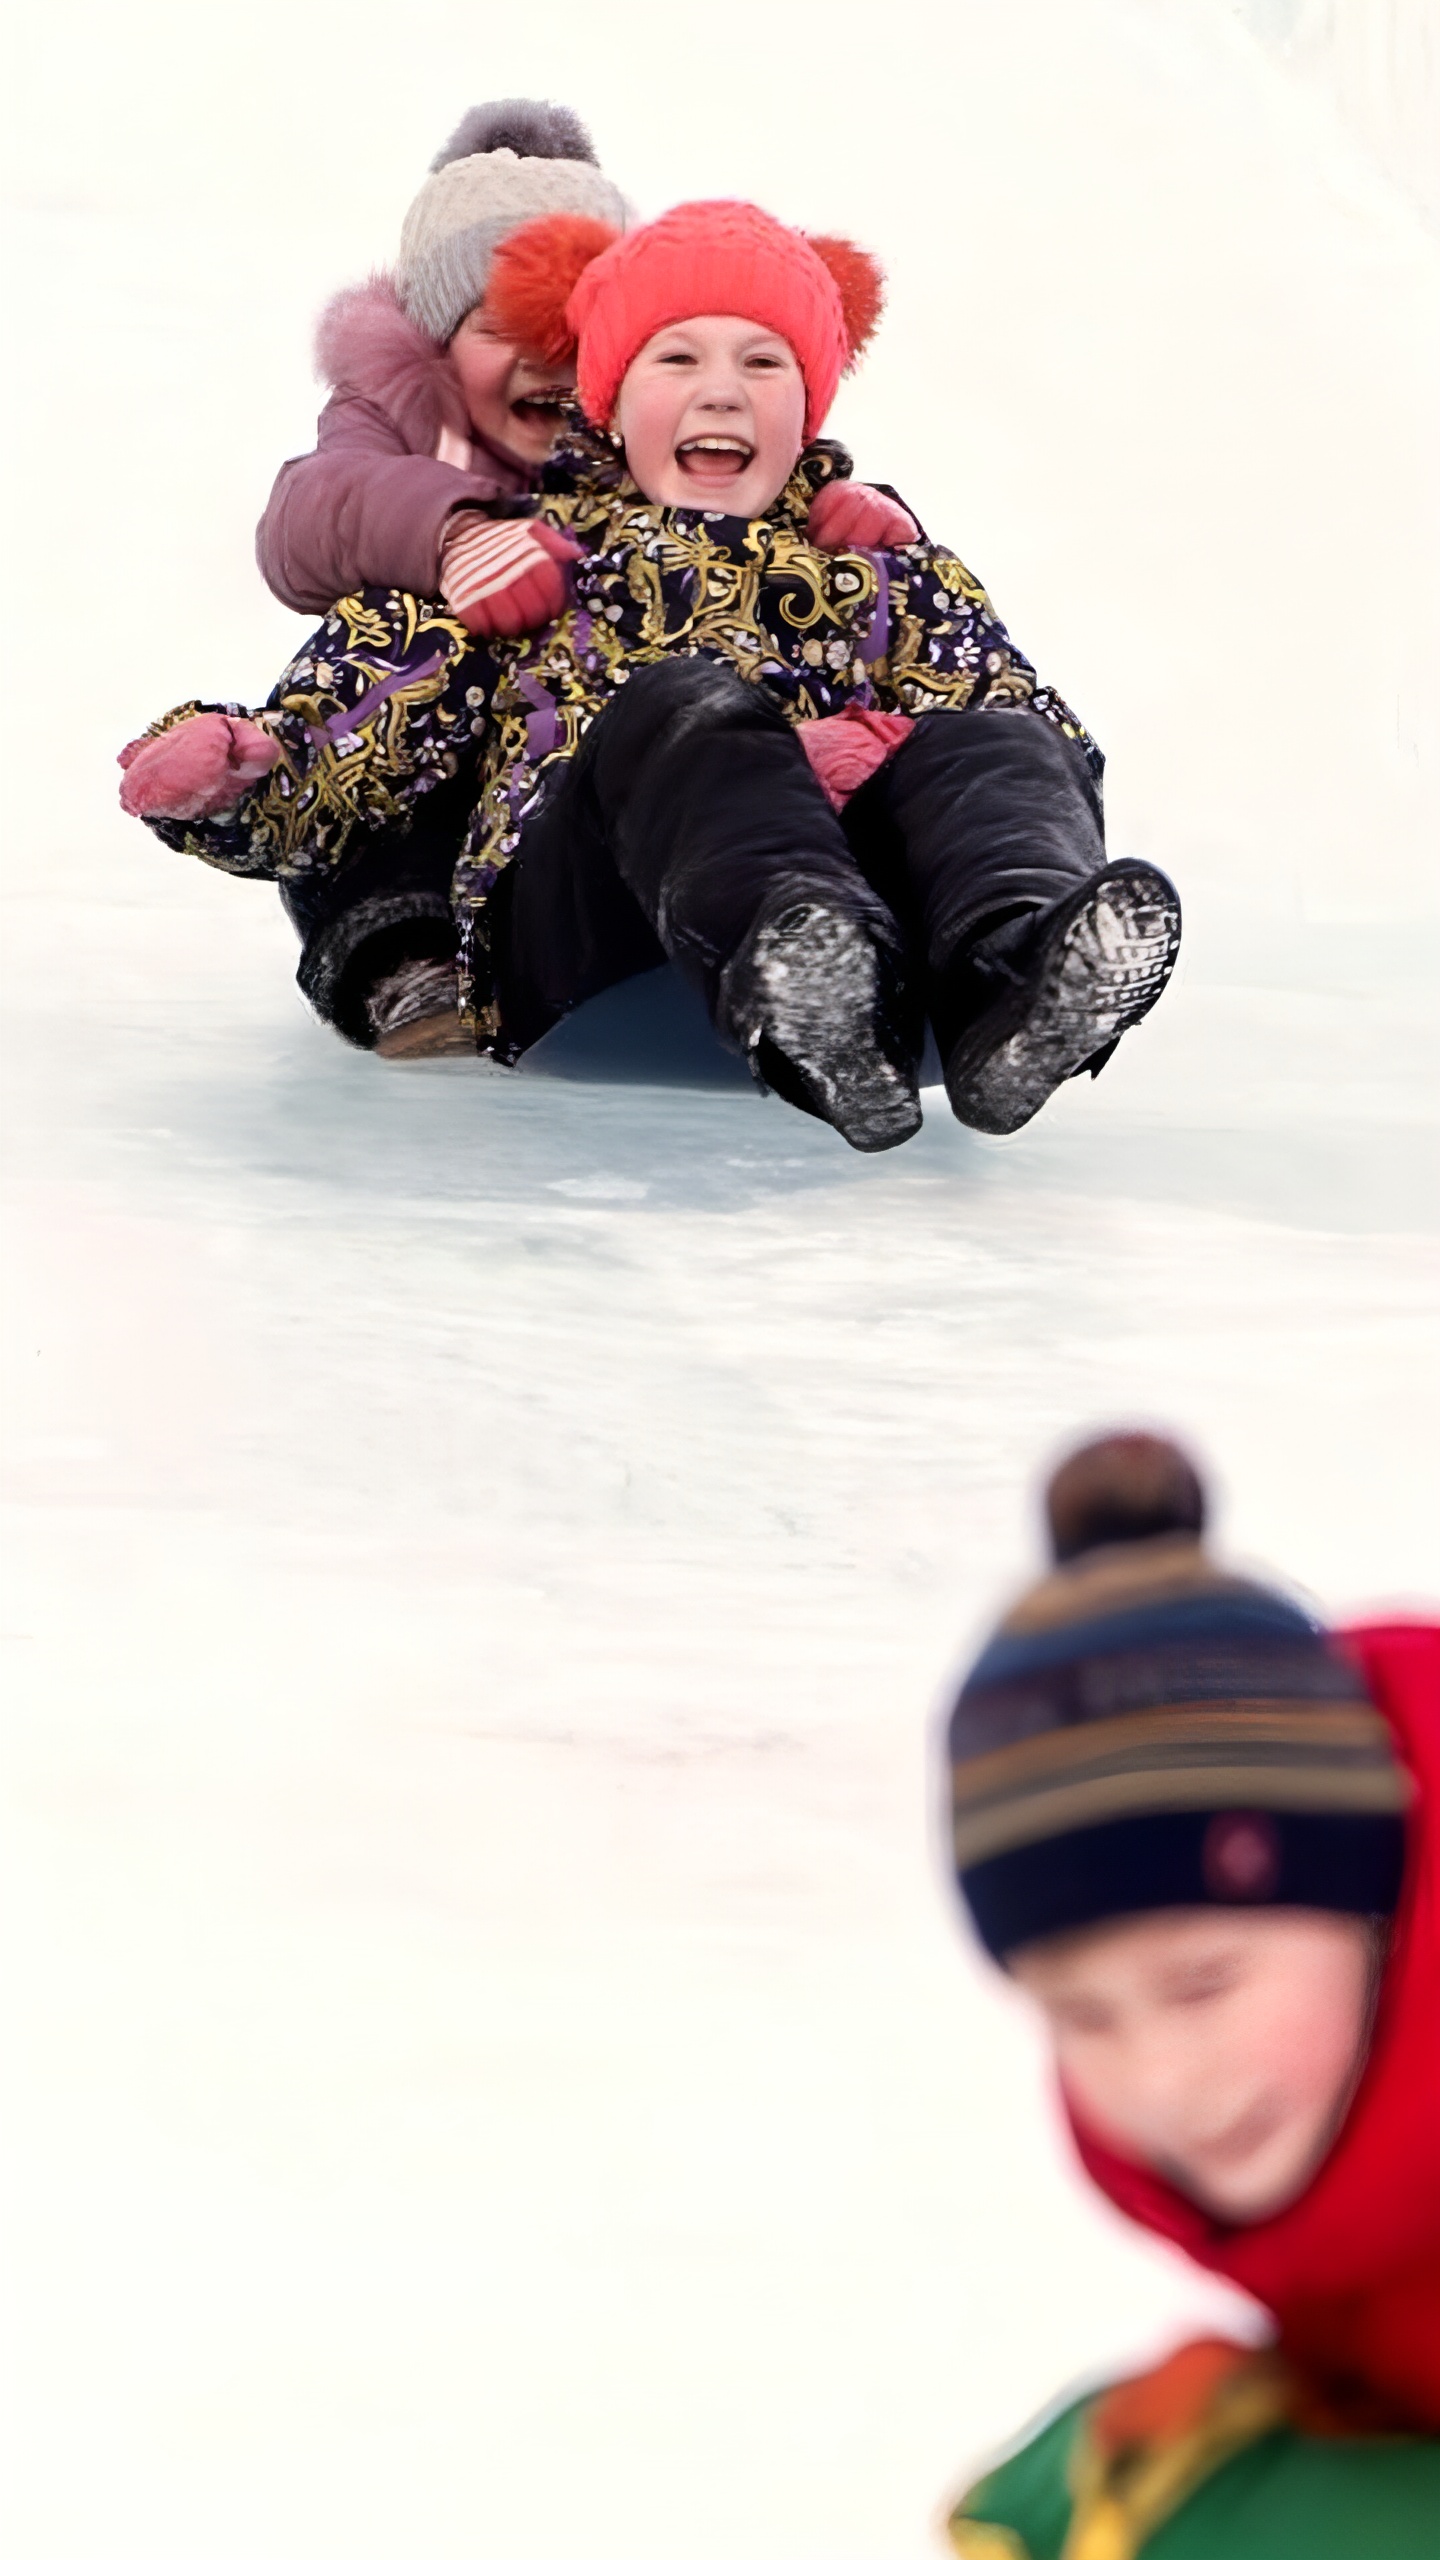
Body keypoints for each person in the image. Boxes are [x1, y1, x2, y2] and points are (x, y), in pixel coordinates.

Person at [121, 200, 1181, 1149]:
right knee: (683, 712)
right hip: (599, 970)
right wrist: (243, 767)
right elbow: (357, 741)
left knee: (999, 735)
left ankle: (1007, 990)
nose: (722, 390)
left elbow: (1042, 756)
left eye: (763, 366)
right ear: (610, 403)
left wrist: (887, 757)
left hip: (911, 1002)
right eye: (677, 361)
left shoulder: (885, 570)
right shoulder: (534, 557)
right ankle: (810, 960)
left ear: (805, 411)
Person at [251, 102, 913, 1055]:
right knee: (375, 709)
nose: (542, 357)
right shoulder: (393, 421)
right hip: (439, 742)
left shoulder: (650, 414)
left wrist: (841, 521)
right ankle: (403, 958)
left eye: (569, 325)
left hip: (587, 767)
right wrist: (450, 532)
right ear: (433, 347)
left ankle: (794, 912)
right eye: (497, 324)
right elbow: (311, 514)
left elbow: (759, 480)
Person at [943, 1430, 1440, 2557]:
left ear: (1381, 1904)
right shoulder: (1335, 2137)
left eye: (1204, 1983)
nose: (1165, 2079)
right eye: (1084, 2014)